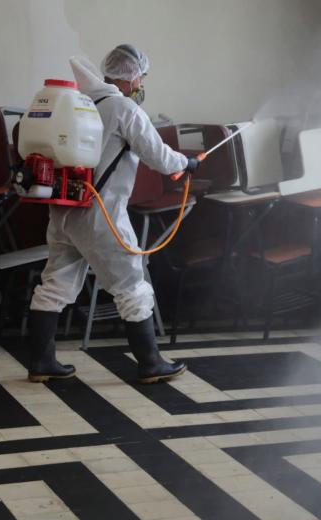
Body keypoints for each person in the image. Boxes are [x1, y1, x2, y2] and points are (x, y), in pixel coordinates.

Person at [27, 44, 198, 384]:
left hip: (64, 210)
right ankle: (151, 363)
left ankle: (41, 362)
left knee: (55, 283)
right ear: (132, 76)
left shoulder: (80, 102)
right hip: (101, 214)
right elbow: (159, 157)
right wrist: (187, 163)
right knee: (132, 284)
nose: (141, 84)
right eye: (141, 77)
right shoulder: (124, 108)